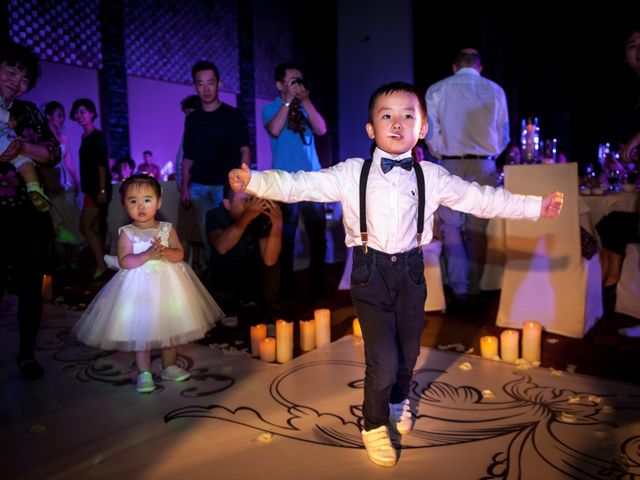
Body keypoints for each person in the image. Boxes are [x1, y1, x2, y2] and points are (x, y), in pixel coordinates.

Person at [229, 81, 563, 467]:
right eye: (386, 116)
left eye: (408, 116)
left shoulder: (432, 176)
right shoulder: (351, 173)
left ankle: (397, 401)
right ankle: (372, 425)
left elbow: (483, 198)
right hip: (369, 272)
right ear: (371, 129)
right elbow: (299, 183)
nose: (397, 123)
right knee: (382, 359)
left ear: (422, 128)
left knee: (407, 354)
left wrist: (536, 206)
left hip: (411, 272)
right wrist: (254, 179)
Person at [73, 174, 224, 393]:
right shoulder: (127, 233)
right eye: (133, 201)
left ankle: (169, 366)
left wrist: (166, 252)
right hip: (139, 291)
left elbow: (179, 253)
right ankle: (144, 371)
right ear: (125, 206)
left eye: (147, 199)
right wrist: (145, 255)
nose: (140, 206)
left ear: (158, 202)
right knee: (141, 331)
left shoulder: (166, 229)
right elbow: (125, 261)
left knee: (170, 328)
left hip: (168, 288)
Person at [425, 48, 510, 304]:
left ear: (454, 66)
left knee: (451, 226)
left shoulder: (438, 89)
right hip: (484, 164)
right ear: (479, 67)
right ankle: (473, 287)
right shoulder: (494, 90)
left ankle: (459, 288)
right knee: (478, 228)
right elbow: (504, 132)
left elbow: (430, 132)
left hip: (450, 163)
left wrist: (443, 152)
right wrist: (489, 152)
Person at [0, 40, 61, 380]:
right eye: (10, 71)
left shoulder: (29, 112)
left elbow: (53, 152)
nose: (15, 81)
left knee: (30, 286)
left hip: (28, 211)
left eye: (23, 79)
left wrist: (24, 147)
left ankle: (26, 353)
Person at [262, 62, 328, 299]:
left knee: (317, 237)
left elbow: (321, 129)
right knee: (286, 238)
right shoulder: (271, 108)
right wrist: (288, 100)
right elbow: (275, 130)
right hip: (285, 182)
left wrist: (306, 100)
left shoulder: (305, 107)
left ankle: (317, 288)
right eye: (292, 81)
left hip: (312, 181)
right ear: (280, 84)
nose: (297, 85)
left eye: (300, 80)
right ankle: (286, 289)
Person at [181, 61, 251, 271]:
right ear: (195, 86)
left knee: (231, 233)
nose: (206, 88)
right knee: (206, 236)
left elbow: (245, 150)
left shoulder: (233, 115)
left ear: (218, 84)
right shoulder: (192, 119)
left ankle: (233, 281)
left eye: (210, 82)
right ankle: (215, 282)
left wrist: (244, 181)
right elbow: (188, 155)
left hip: (227, 186)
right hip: (199, 186)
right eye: (200, 83)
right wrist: (185, 186)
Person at [207, 185, 282, 320]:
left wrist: (277, 224)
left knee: (271, 263)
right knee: (229, 255)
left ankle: (270, 310)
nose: (250, 205)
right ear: (227, 204)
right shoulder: (215, 215)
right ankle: (228, 309)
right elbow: (222, 247)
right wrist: (246, 218)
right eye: (244, 200)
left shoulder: (259, 217)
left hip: (252, 277)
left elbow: (270, 260)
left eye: (251, 199)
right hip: (226, 281)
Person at [71, 98, 112, 280]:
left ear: (92, 113)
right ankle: (103, 263)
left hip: (98, 189)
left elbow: (102, 165)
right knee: (93, 227)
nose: (80, 116)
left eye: (83, 112)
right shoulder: (85, 136)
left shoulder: (97, 136)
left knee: (85, 226)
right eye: (77, 112)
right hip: (91, 188)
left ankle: (102, 264)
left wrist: (102, 189)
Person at [42, 100, 83, 269]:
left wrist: (76, 180)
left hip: (66, 182)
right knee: (58, 221)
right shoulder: (43, 137)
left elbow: (69, 161)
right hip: (52, 182)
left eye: (63, 116)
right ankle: (60, 261)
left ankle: (72, 260)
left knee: (72, 219)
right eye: (59, 115)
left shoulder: (64, 137)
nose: (62, 119)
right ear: (48, 116)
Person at [1, 97, 52, 212]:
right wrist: (9, 118)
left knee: (21, 159)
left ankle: (34, 190)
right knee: (23, 161)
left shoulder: (26, 108)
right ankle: (33, 187)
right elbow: (5, 115)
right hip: (3, 139)